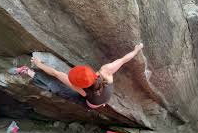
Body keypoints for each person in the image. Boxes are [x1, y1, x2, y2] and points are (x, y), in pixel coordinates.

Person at [9, 43, 144, 109]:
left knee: (55, 87)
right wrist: (137, 49)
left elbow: (55, 73)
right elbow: (124, 59)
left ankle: (28, 71)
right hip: (99, 100)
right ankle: (27, 72)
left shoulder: (81, 90)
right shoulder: (107, 71)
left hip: (88, 101)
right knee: (56, 88)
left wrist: (39, 64)